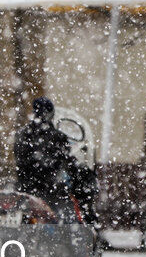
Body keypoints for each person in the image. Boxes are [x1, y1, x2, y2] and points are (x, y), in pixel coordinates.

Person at [14, 96, 98, 226]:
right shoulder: (57, 137)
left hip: (26, 188)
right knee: (70, 220)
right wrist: (84, 173)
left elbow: (22, 162)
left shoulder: (22, 134)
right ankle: (75, 238)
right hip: (51, 190)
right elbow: (67, 161)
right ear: (51, 113)